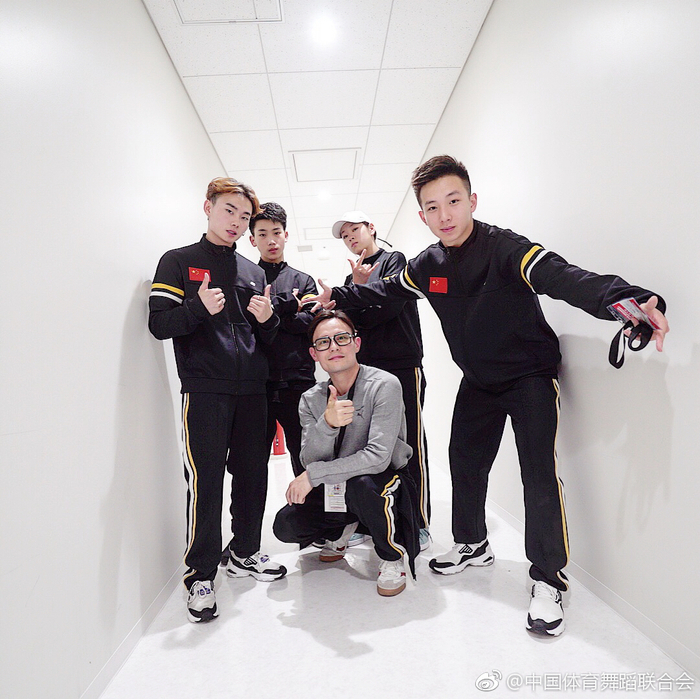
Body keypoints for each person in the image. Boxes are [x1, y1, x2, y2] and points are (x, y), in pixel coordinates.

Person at [307, 155, 669, 636]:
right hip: (478, 380)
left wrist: (629, 302)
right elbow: (387, 291)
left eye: (453, 201)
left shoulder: (507, 249)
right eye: (432, 207)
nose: (445, 215)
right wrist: (340, 297)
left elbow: (566, 277)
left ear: (472, 201)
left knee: (538, 475)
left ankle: (549, 580)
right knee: (465, 461)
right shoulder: (428, 265)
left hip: (529, 376)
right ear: (422, 215)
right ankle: (473, 544)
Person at [148, 177, 287, 624]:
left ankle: (245, 552)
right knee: (206, 482)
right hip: (205, 390)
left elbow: (266, 338)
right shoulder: (177, 261)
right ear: (207, 207)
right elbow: (158, 324)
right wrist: (196, 308)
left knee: (253, 476)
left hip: (253, 391)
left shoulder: (252, 271)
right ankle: (201, 574)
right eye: (229, 211)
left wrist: (269, 321)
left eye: (244, 216)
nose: (237, 222)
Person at [273, 310, 420, 597]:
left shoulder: (384, 384)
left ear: (356, 343)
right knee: (286, 526)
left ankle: (391, 556)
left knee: (362, 486)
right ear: (314, 354)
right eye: (323, 342)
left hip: (381, 480)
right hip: (335, 486)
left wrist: (312, 475)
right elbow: (309, 459)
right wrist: (327, 424)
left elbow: (378, 457)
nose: (334, 347)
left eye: (341, 338)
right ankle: (341, 530)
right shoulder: (310, 399)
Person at [219, 201, 320, 567]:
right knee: (249, 467)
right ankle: (244, 543)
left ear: (286, 235)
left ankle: (313, 533)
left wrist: (274, 311)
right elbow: (247, 324)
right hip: (255, 386)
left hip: (298, 384)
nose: (271, 240)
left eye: (276, 232)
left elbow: (310, 322)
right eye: (262, 234)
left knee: (305, 460)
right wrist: (289, 308)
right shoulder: (245, 278)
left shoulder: (303, 280)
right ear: (252, 239)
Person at [331, 212, 431, 550]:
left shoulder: (395, 261)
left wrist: (358, 294)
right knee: (368, 447)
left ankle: (417, 523)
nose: (350, 237)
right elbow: (349, 323)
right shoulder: (350, 278)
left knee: (408, 443)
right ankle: (372, 521)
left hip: (402, 366)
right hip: (366, 372)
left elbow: (387, 308)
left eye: (354, 230)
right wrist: (355, 292)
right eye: (345, 235)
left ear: (371, 228)